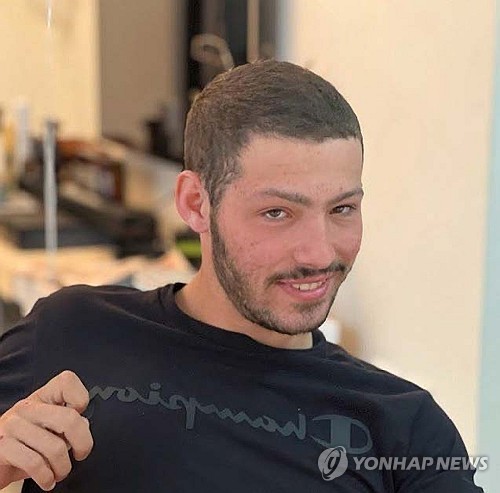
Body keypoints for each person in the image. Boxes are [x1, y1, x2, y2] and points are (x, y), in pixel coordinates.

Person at [0, 60, 483, 492]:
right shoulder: (74, 329)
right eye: (277, 213)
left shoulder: (404, 426)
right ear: (196, 203)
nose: (319, 253)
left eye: (341, 209)